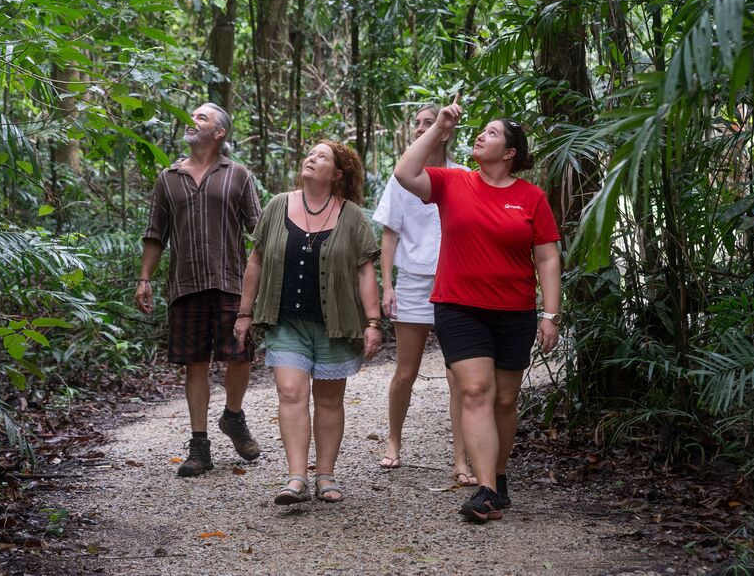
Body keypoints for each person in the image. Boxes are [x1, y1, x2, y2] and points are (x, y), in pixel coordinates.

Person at [394, 95, 562, 524]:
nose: (480, 135)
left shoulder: (532, 198)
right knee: (474, 392)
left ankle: (498, 478)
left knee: (505, 399)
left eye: (491, 132)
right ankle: (486, 490)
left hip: (513, 311)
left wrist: (550, 313)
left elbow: (546, 257)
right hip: (458, 307)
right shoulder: (453, 182)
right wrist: (439, 127)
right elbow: (404, 172)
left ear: (509, 153)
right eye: (480, 129)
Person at [233, 141, 383, 504]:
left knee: (329, 401)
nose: (311, 159)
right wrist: (244, 313)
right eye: (310, 154)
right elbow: (256, 261)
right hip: (285, 321)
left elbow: (366, 272)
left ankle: (326, 475)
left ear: (337, 174)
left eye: (322, 157)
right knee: (290, 392)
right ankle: (296, 477)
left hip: (335, 323)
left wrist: (374, 322)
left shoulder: (353, 216)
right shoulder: (277, 206)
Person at [135, 102, 263, 477]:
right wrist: (145, 278)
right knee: (196, 364)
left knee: (240, 355)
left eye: (201, 117)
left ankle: (234, 417)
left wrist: (263, 283)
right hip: (185, 284)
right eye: (192, 117)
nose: (192, 122)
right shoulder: (168, 177)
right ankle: (199, 445)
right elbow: (155, 233)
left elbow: (258, 232)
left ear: (219, 132)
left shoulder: (238, 175)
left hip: (232, 281)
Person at [373, 105, 476, 486]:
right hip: (414, 282)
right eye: (416, 123)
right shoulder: (400, 176)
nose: (419, 128)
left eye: (427, 123)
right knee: (405, 372)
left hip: (455, 282)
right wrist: (388, 285)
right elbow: (390, 234)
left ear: (444, 131)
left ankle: (461, 459)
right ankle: (393, 442)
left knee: (458, 377)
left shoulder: (464, 176)